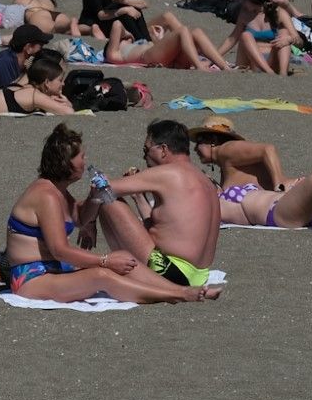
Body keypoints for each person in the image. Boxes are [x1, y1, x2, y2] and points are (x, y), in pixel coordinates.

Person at [0, 125, 218, 304]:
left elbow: (81, 217)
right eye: (82, 156)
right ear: (67, 162)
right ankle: (179, 294)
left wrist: (95, 197)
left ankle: (180, 290)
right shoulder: (47, 196)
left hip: (53, 269)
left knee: (122, 265)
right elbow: (60, 250)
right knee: (103, 274)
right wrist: (105, 260)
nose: (86, 161)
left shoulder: (59, 193)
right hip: (30, 276)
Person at [91, 120, 222, 289]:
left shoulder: (168, 173)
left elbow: (103, 188)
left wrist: (88, 222)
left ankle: (128, 271)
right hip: (199, 275)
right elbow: (162, 228)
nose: (144, 157)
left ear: (163, 150)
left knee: (109, 201)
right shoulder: (204, 180)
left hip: (170, 272)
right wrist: (139, 197)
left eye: (146, 150)